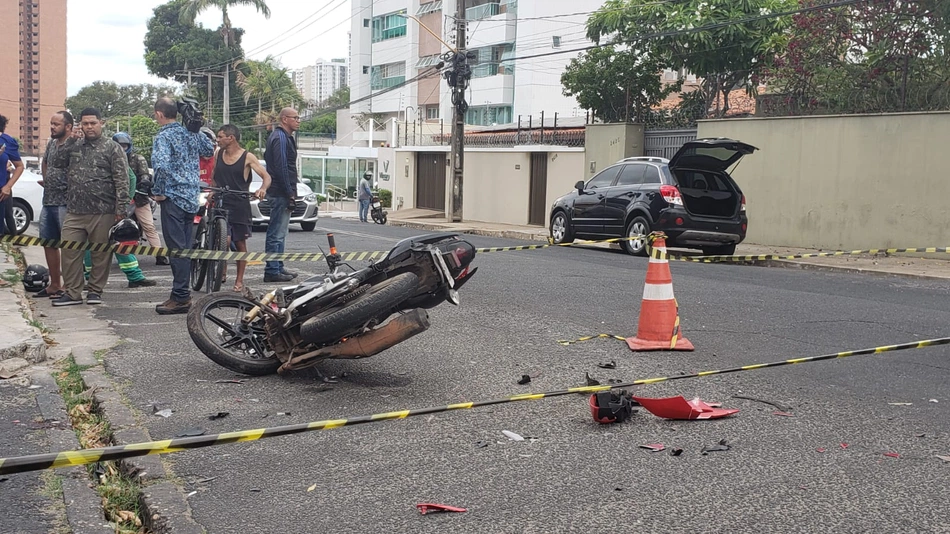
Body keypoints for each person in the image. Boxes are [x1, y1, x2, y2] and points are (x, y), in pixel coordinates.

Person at [50, 108, 130, 307]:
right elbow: (57, 162)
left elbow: (122, 179)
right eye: (85, 124)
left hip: (103, 210)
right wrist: (69, 140)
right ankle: (72, 293)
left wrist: (121, 210)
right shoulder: (74, 145)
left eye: (93, 123)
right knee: (69, 251)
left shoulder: (112, 148)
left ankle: (95, 291)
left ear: (101, 123)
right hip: (75, 210)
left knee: (100, 254)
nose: (89, 127)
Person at [151, 97, 214, 315]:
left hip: (173, 198)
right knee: (185, 249)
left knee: (177, 250)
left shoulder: (164, 137)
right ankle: (181, 294)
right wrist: (196, 129)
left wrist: (158, 191)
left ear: (159, 114)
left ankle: (180, 296)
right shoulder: (190, 133)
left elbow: (160, 167)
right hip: (191, 198)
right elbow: (209, 150)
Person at [211, 124, 270, 292]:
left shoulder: (247, 157)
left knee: (240, 243)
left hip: (239, 204)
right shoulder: (218, 153)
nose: (217, 140)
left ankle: (239, 280)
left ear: (231, 138)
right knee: (224, 239)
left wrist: (262, 189)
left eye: (220, 137)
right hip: (221, 201)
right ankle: (221, 269)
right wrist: (212, 190)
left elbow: (266, 177)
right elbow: (214, 175)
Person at [82, 164, 156, 289]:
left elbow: (131, 178)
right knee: (110, 242)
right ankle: (134, 277)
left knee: (111, 241)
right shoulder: (109, 157)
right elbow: (131, 178)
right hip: (99, 207)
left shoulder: (105, 156)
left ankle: (133, 277)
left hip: (102, 208)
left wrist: (124, 203)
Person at [112, 132, 168, 266]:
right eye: (119, 145)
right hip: (116, 199)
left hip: (138, 198)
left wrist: (144, 183)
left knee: (149, 226)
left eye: (125, 146)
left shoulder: (138, 159)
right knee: (107, 227)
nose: (122, 148)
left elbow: (144, 174)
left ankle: (160, 255)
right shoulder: (109, 158)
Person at [34, 111, 73, 299]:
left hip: (65, 202)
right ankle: (54, 284)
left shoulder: (74, 144)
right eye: (51, 123)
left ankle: (69, 285)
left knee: (68, 245)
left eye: (56, 124)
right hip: (48, 199)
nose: (52, 127)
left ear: (68, 126)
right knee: (48, 242)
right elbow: (45, 163)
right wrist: (47, 179)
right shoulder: (51, 143)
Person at [262, 107, 301, 283]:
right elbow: (282, 167)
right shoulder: (280, 138)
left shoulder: (283, 137)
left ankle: (278, 266)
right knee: (276, 232)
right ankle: (272, 270)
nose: (298, 121)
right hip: (280, 191)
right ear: (284, 119)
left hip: (281, 190)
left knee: (281, 232)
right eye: (295, 118)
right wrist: (289, 192)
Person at [0, 114, 24, 235]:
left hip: (1, 191)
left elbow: (19, 166)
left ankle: (12, 237)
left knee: (7, 215)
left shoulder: (6, 141)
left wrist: (8, 186)